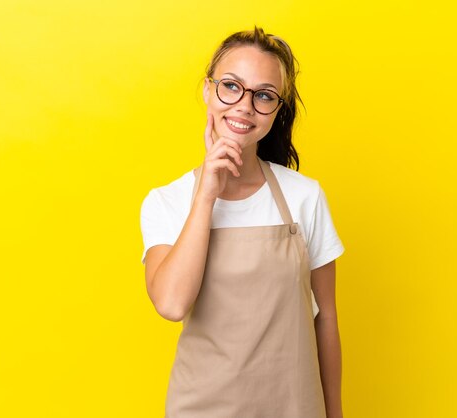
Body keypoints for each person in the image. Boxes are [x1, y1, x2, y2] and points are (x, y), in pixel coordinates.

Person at [140, 27, 345, 418]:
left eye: (263, 95)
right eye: (231, 86)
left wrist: (334, 413)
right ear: (207, 90)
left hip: (295, 408)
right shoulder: (167, 202)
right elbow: (170, 303)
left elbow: (327, 317)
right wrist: (206, 196)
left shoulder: (305, 196)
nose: (244, 106)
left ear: (277, 110)